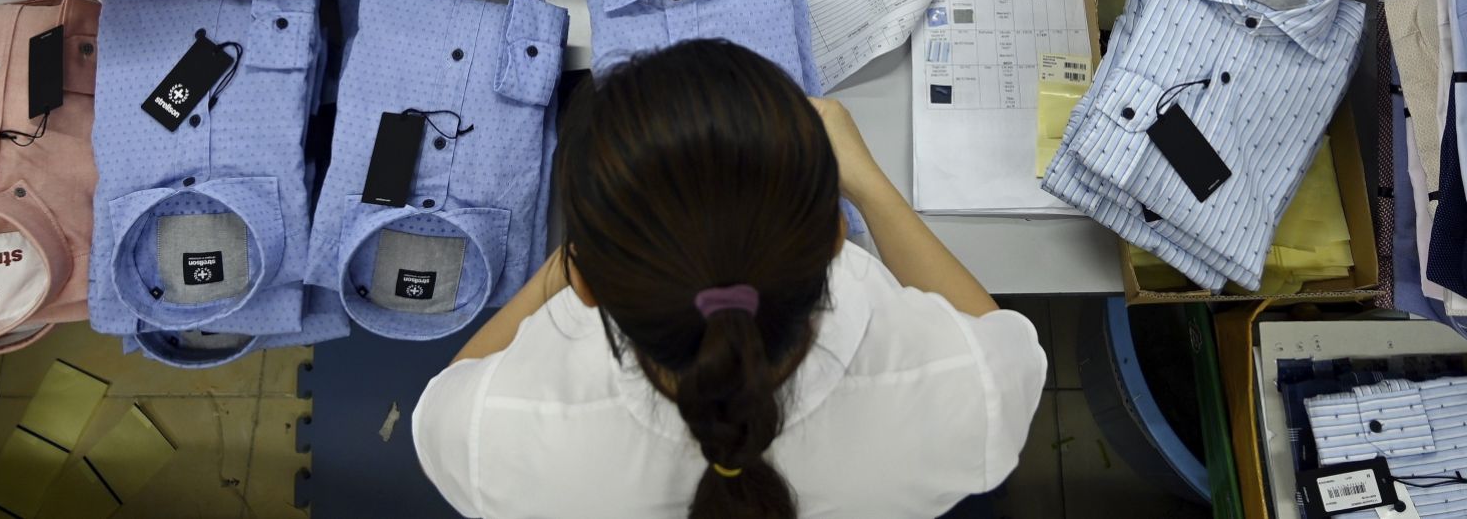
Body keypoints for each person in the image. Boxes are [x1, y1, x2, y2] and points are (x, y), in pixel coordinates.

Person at [413, 39, 1047, 519]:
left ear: (584, 283)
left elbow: (450, 392)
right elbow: (996, 336)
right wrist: (866, 180)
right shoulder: (967, 390)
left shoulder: (492, 430)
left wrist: (595, 246)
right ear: (835, 235)